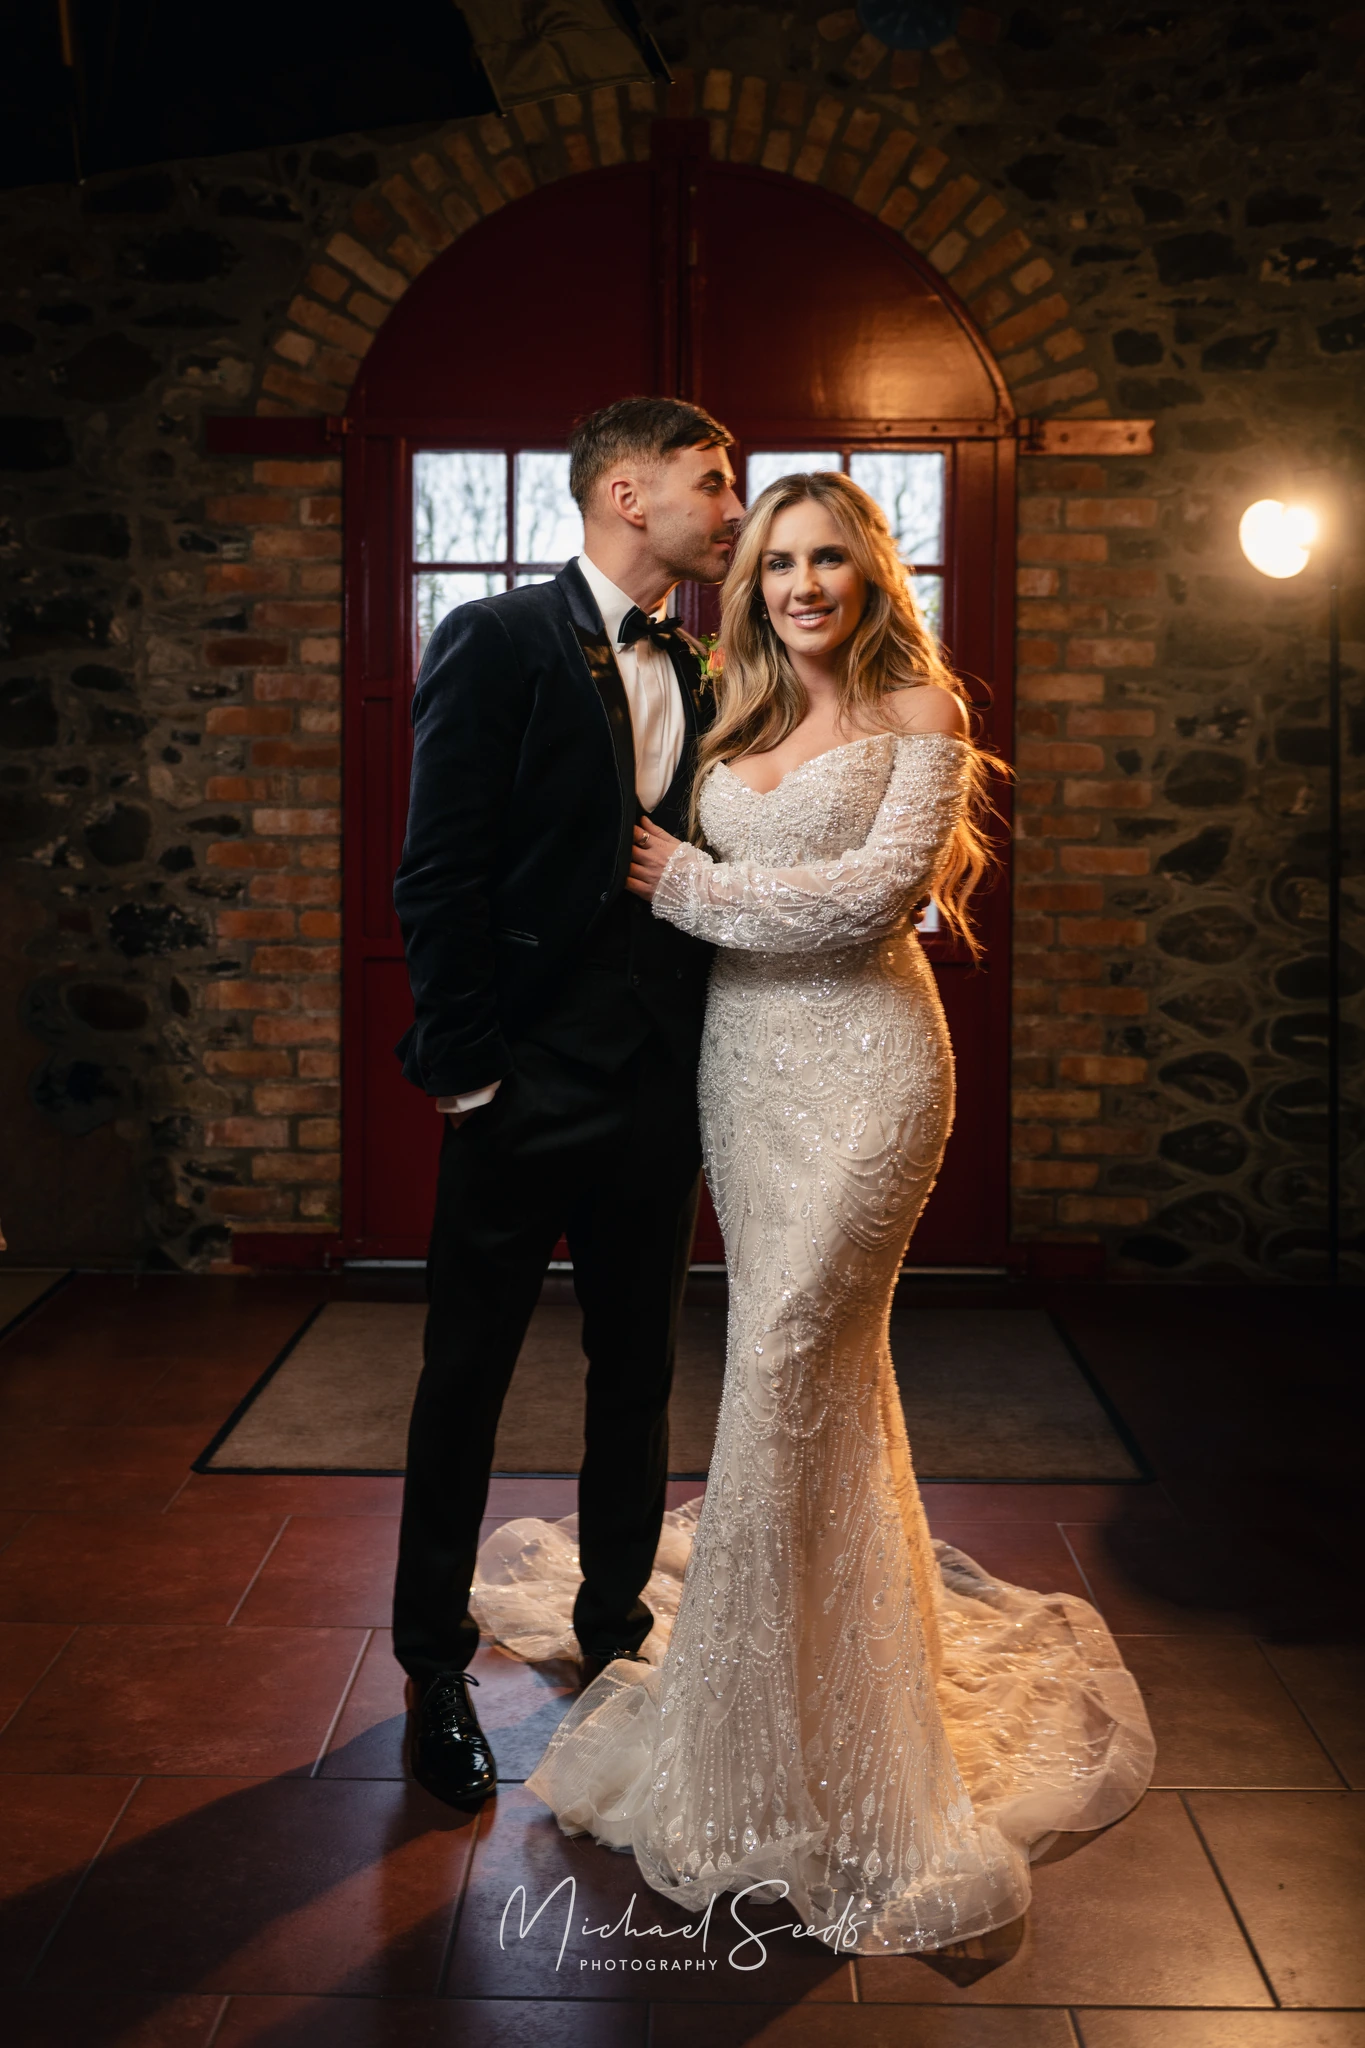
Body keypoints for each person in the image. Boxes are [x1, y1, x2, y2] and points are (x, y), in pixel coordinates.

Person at [471, 472, 1155, 1952]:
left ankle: (804, 1744)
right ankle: (806, 1685)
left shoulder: (924, 722)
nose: (800, 583)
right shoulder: (732, 711)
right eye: (775, 559)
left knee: (785, 1358)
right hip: (747, 1080)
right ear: (752, 580)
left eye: (828, 557)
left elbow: (866, 904)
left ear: (871, 572)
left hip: (874, 1072)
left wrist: (687, 885)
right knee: (819, 1384)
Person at [391, 396, 744, 1807]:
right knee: (463, 1381)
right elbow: (440, 871)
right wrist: (471, 1072)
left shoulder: (713, 670)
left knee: (640, 1377)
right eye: (712, 484)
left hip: (659, 1088)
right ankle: (429, 1669)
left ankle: (612, 1638)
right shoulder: (496, 641)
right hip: (519, 1089)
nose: (733, 509)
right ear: (626, 496)